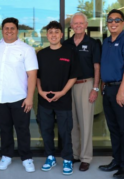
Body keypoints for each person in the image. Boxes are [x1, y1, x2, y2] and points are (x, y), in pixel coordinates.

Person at [0, 17, 38, 173]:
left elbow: (32, 75)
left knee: (22, 129)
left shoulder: (26, 49)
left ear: (17, 30)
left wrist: (29, 97)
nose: (9, 31)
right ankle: (6, 155)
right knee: (4, 129)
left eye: (12, 28)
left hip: (19, 97)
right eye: (6, 28)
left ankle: (26, 158)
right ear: (2, 30)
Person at [37, 21, 79, 175]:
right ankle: (50, 157)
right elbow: (37, 76)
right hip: (44, 100)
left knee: (65, 131)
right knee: (46, 129)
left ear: (61, 35)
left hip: (63, 100)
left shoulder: (70, 53)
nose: (53, 35)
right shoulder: (41, 54)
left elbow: (73, 76)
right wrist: (40, 92)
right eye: (50, 32)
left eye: (56, 32)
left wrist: (61, 93)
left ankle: (67, 159)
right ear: (47, 35)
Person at [99, 9, 124, 178]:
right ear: (107, 23)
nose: (113, 23)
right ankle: (116, 160)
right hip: (108, 89)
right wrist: (102, 84)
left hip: (122, 89)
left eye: (117, 20)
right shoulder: (106, 41)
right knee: (113, 128)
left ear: (123, 23)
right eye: (110, 20)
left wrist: (121, 91)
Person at [63, 12, 101, 172]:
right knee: (71, 123)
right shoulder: (65, 44)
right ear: (71, 26)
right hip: (68, 87)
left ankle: (86, 157)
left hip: (86, 84)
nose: (78, 26)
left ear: (85, 25)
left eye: (81, 23)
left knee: (85, 123)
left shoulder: (93, 43)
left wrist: (95, 88)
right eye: (75, 23)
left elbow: (97, 67)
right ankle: (75, 154)